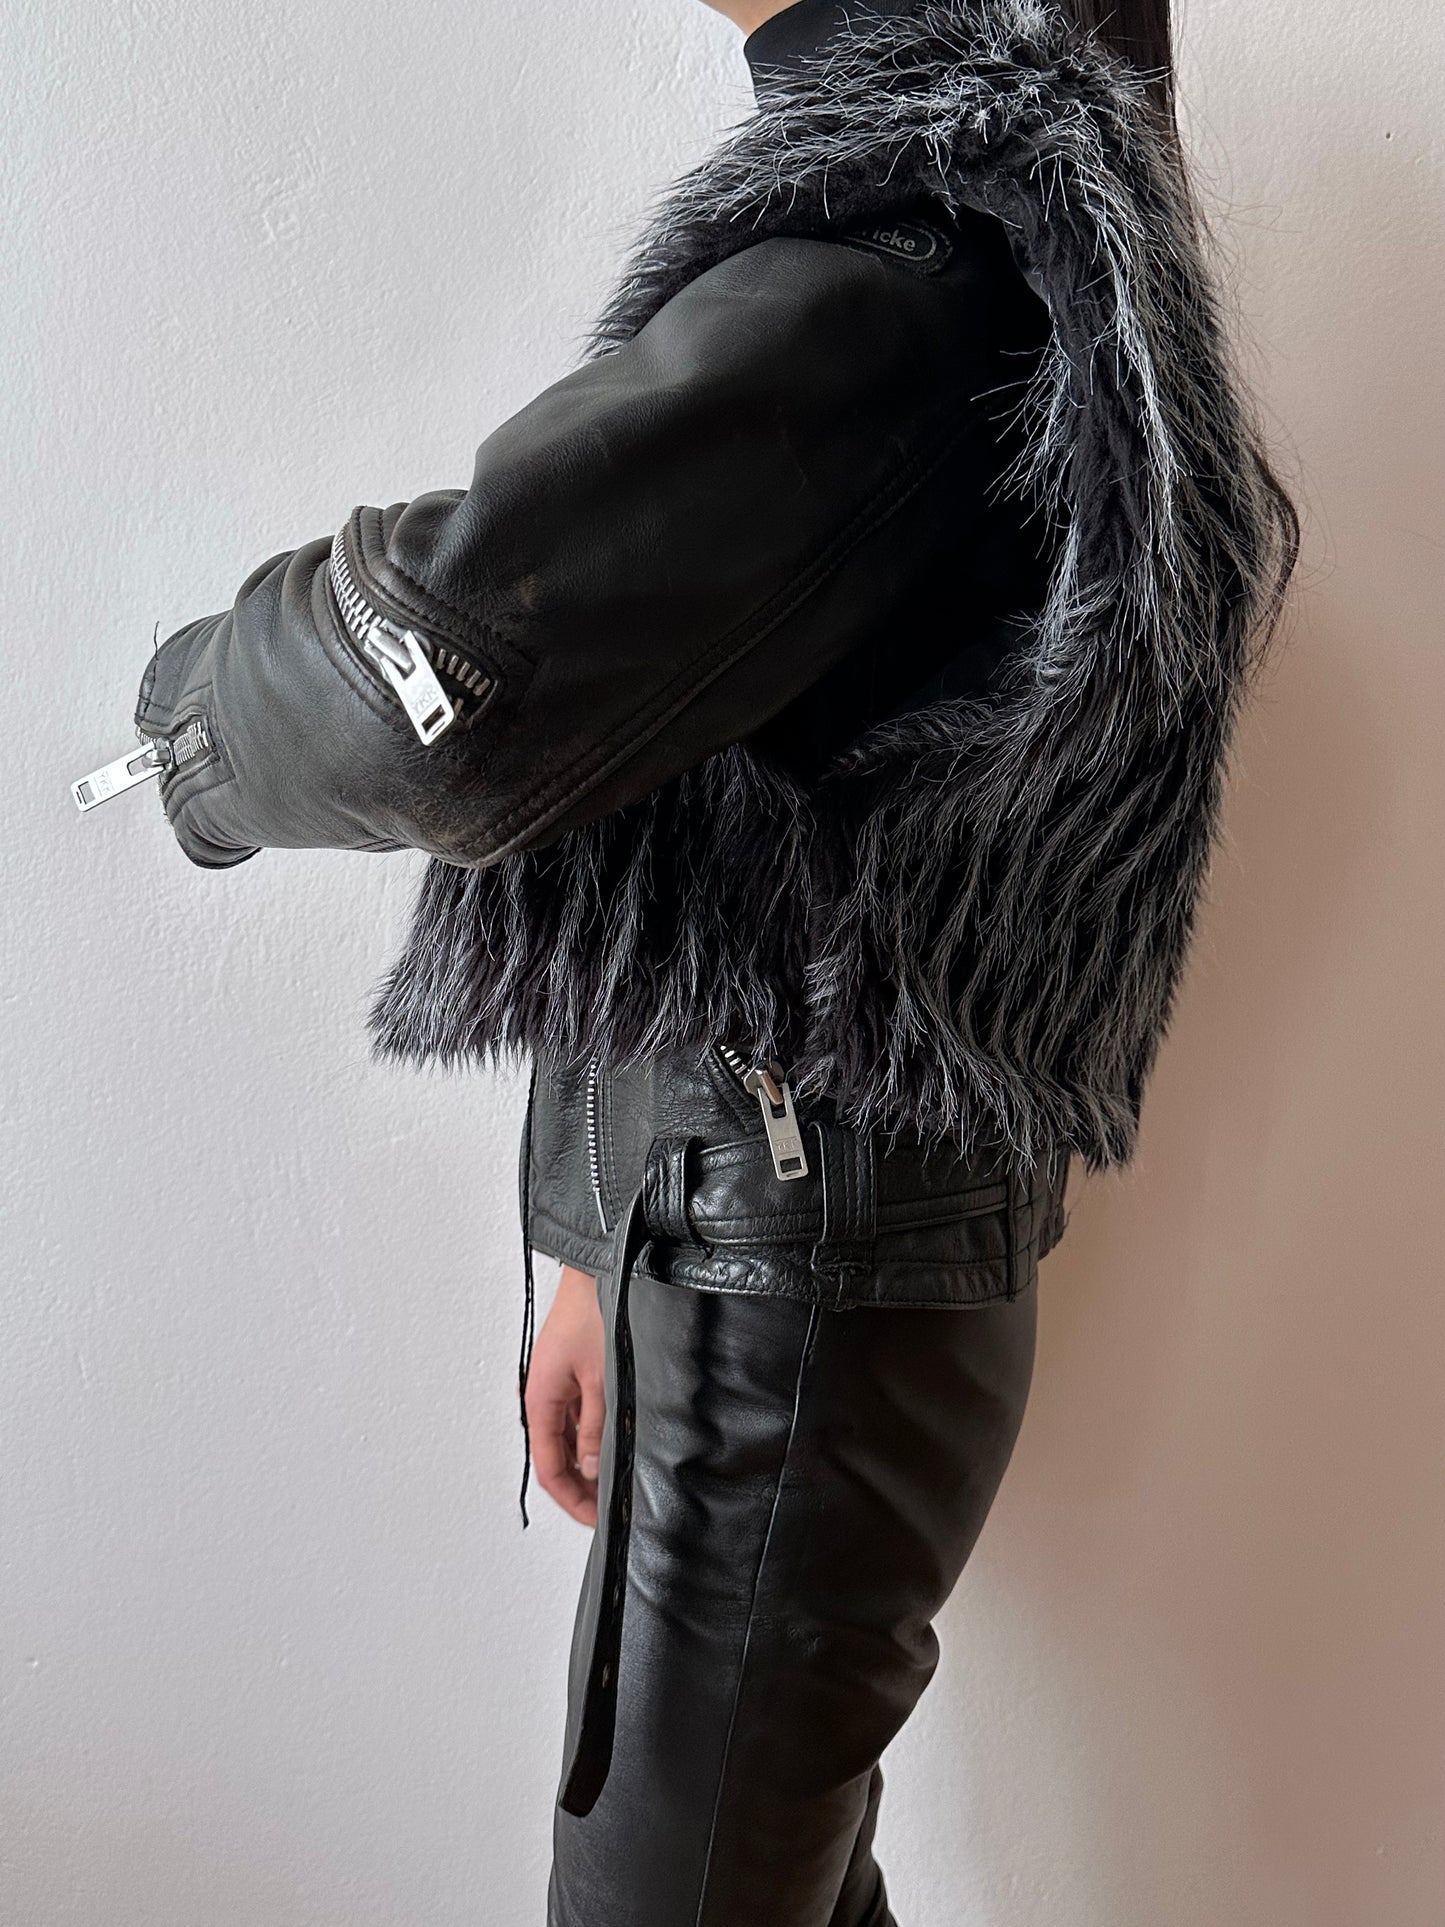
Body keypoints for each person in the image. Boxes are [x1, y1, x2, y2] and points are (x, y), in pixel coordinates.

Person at [122, 0, 1295, 1919]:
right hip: (770, 1241)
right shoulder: (958, 236)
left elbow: (437, 690)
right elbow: (726, 792)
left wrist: (182, 727)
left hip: (790, 1275)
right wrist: (606, 1238)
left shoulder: (895, 269)